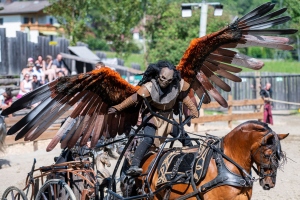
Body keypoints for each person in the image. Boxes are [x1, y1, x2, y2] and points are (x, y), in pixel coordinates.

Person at [108, 61, 199, 176]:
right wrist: (118, 107)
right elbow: (134, 99)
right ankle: (135, 165)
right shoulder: (148, 87)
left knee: (184, 137)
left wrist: (193, 109)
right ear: (158, 74)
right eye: (163, 78)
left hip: (168, 118)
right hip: (152, 116)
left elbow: (184, 97)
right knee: (148, 139)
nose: (165, 82)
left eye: (169, 80)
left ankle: (194, 157)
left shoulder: (177, 84)